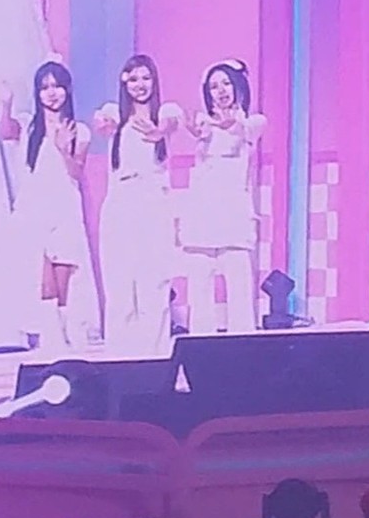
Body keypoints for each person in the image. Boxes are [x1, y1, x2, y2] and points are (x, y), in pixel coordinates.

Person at [0, 60, 97, 355]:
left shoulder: (79, 130)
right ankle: (49, 343)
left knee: (64, 283)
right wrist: (6, 103)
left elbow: (77, 172)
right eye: (45, 87)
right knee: (43, 282)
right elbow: (6, 131)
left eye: (57, 86)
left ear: (67, 90)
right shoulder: (29, 126)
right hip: (34, 211)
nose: (52, 93)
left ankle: (65, 343)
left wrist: (64, 148)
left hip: (65, 211)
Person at [94, 53, 181, 356]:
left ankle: (155, 357)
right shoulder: (115, 113)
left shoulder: (165, 111)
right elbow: (102, 123)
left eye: (146, 78)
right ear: (124, 83)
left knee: (154, 283)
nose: (140, 85)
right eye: (133, 79)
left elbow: (172, 123)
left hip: (153, 203)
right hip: (120, 203)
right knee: (119, 285)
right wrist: (105, 123)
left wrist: (160, 131)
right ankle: (120, 358)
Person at [180, 59, 266, 335]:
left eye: (226, 83)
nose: (220, 91)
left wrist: (226, 122)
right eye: (214, 86)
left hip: (234, 217)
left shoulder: (254, 122)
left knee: (240, 291)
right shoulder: (203, 124)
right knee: (199, 292)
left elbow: (240, 128)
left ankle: (244, 349)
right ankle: (200, 348)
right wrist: (200, 132)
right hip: (201, 216)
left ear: (239, 85)